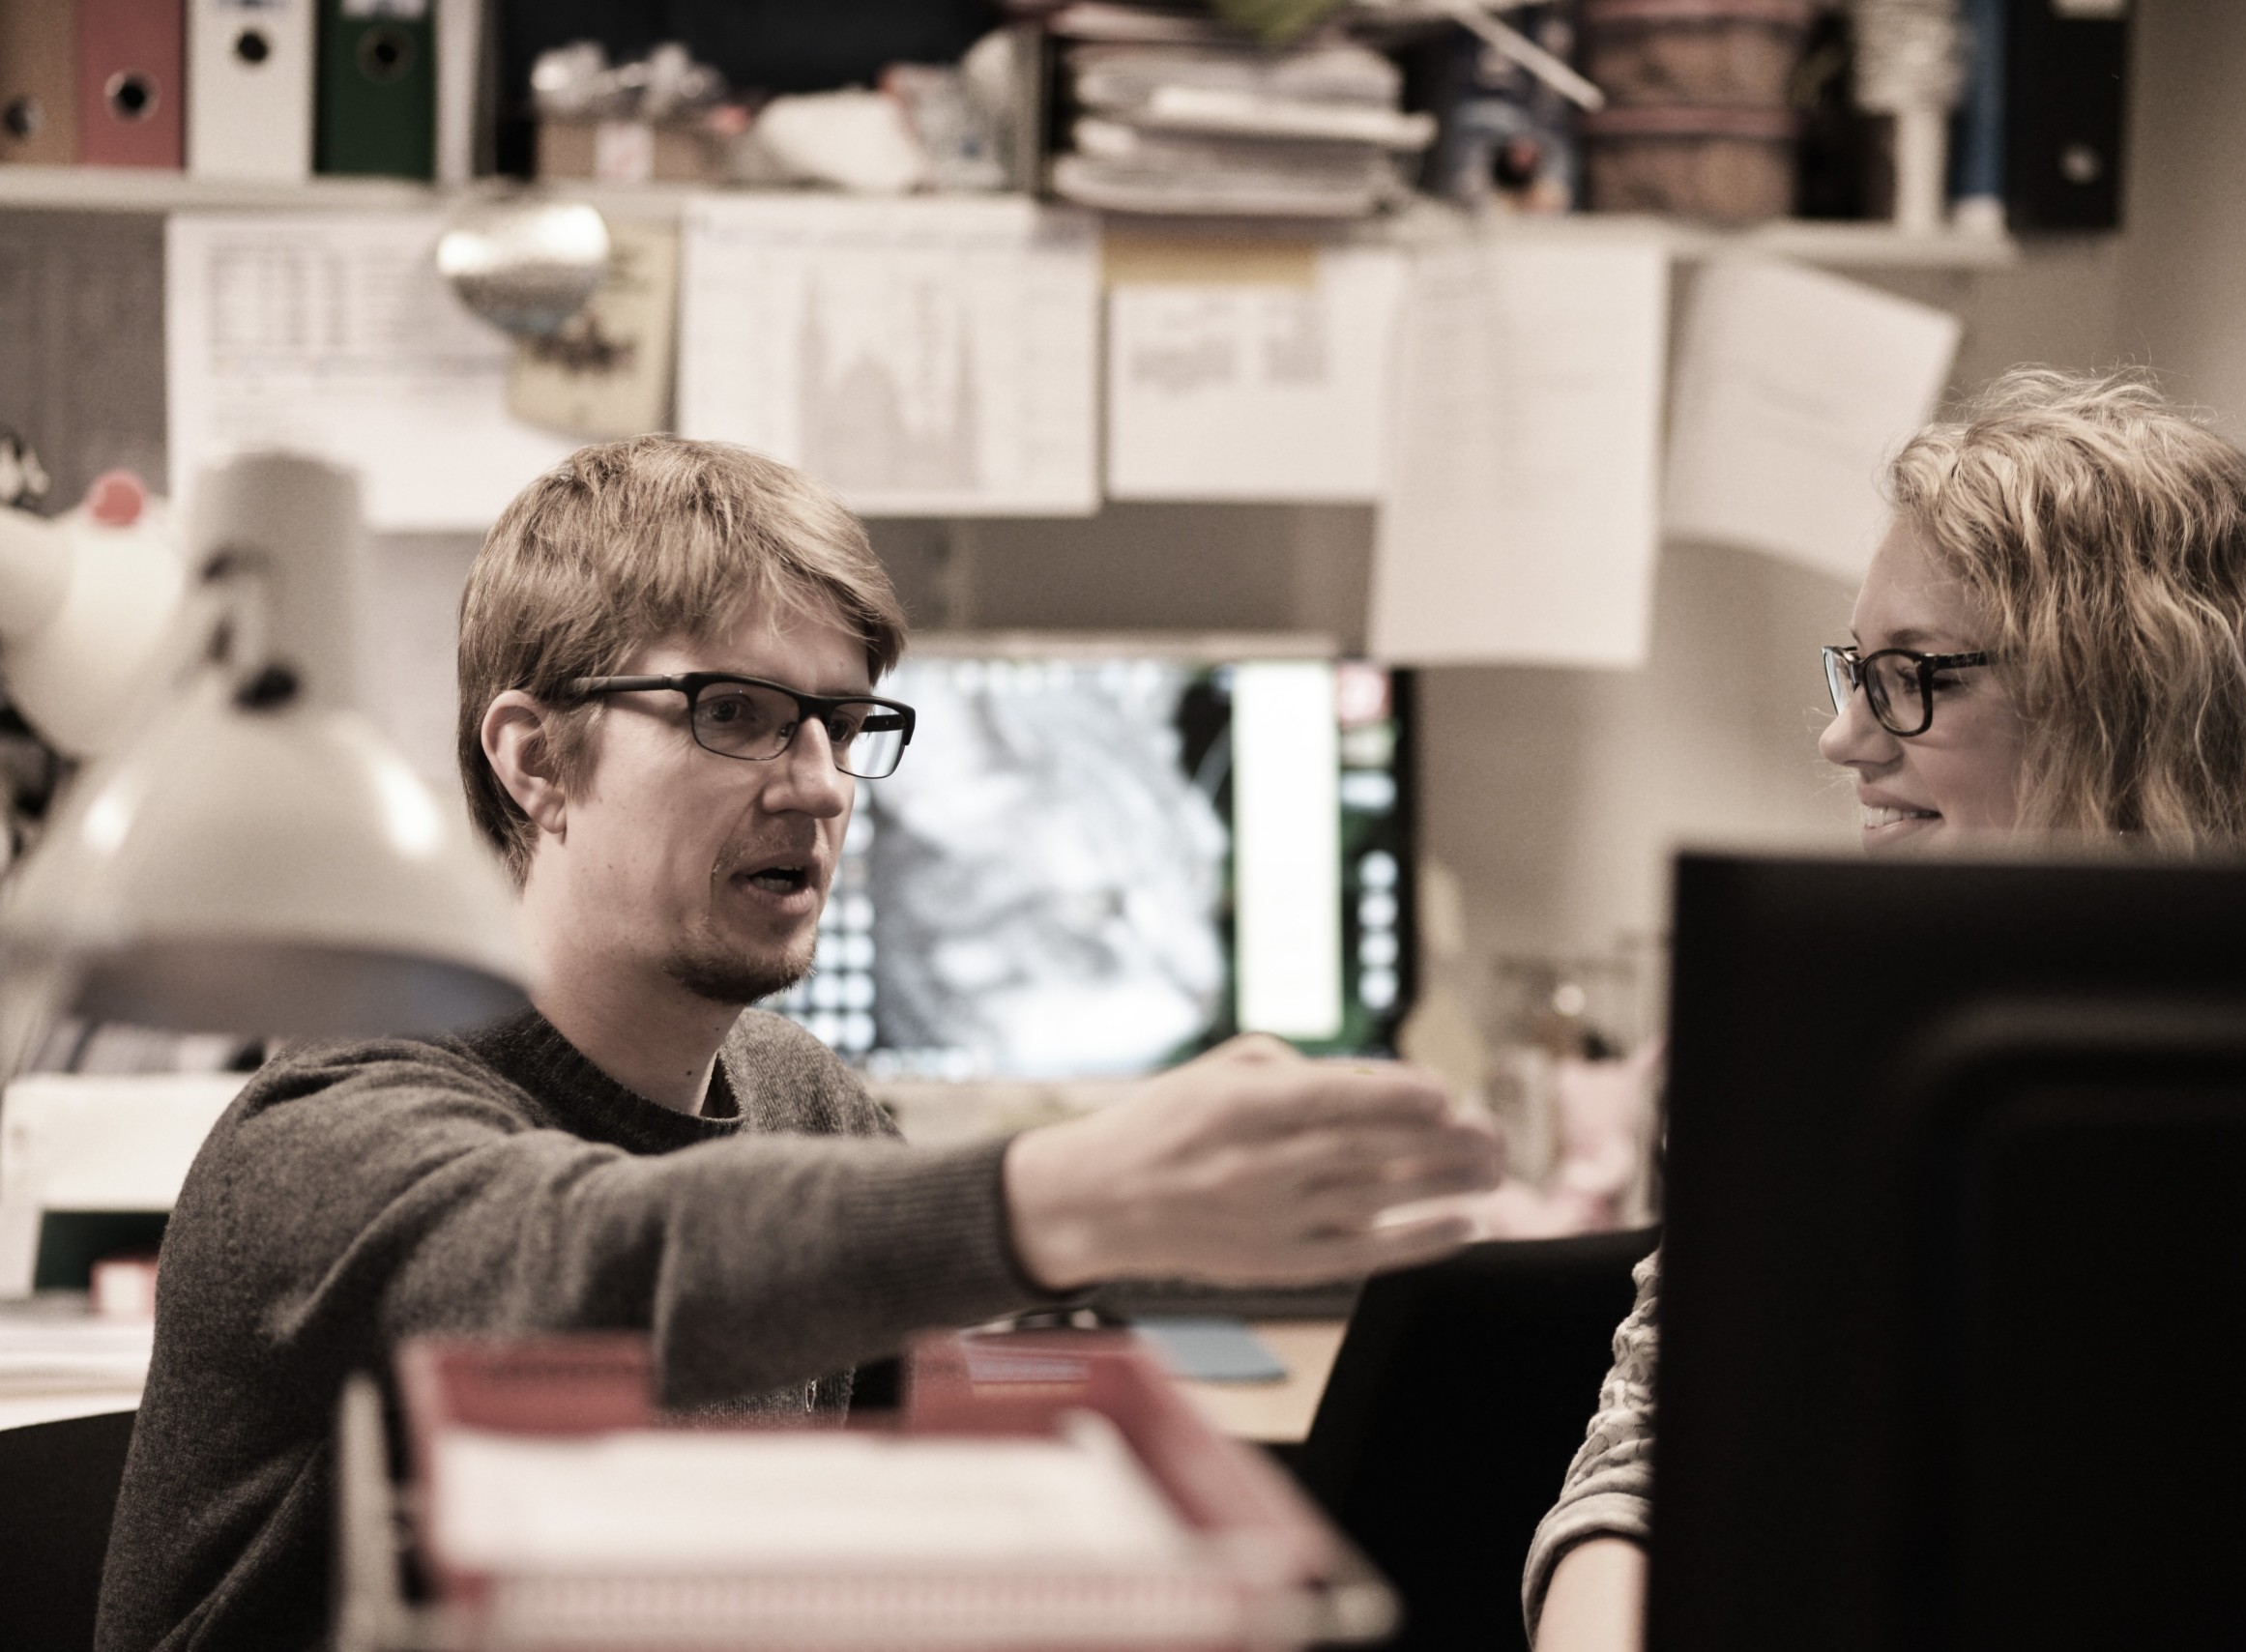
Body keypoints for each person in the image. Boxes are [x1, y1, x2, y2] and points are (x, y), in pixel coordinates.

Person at [97, 436, 1502, 1652]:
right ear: (535, 760)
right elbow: (591, 1263)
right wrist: (1056, 1193)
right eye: (736, 713)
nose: (822, 784)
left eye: (844, 723)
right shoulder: (330, 1120)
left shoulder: (804, 1100)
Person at [1523, 366, 2246, 1650]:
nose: (1846, 738)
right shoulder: (1811, 1052)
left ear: (2122, 699)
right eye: (1856, 670)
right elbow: (1637, 1474)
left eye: (1910, 677)